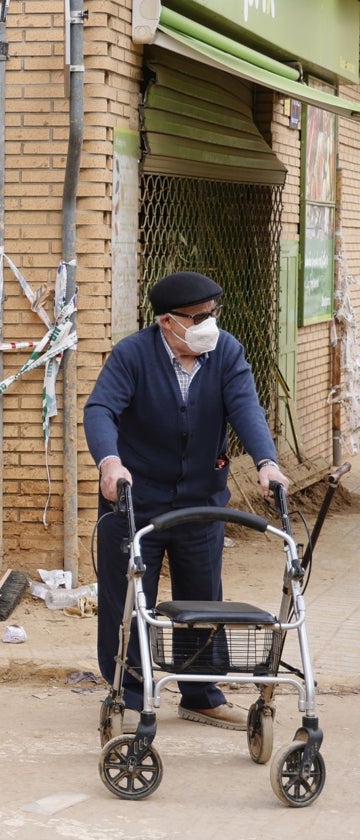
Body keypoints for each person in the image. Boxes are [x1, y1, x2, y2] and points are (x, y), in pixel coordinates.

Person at [84, 270, 290, 730]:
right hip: (137, 499)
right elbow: (100, 409)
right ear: (167, 322)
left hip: (200, 498)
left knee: (202, 598)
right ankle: (130, 692)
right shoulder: (132, 355)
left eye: (211, 314)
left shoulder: (226, 353)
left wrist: (266, 462)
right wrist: (110, 463)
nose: (207, 324)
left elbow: (246, 408)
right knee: (130, 599)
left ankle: (200, 692)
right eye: (197, 317)